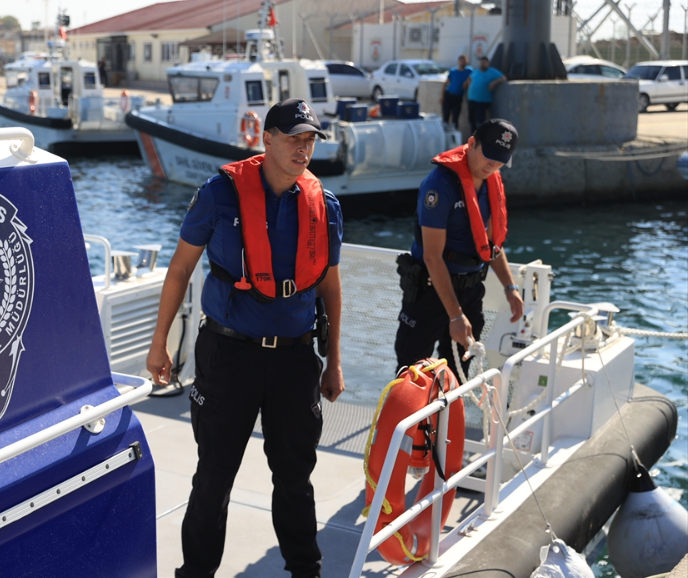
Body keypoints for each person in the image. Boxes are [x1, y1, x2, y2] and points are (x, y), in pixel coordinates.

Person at [146, 98, 345, 578]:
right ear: (267, 139)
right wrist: (160, 344)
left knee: (295, 478)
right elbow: (179, 270)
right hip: (227, 355)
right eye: (293, 138)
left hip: (296, 359)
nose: (303, 148)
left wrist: (333, 359)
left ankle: (305, 571)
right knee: (213, 477)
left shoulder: (326, 206)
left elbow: (331, 287)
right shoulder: (219, 194)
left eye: (310, 140)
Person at [394, 118, 525, 380]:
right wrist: (455, 316)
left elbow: (491, 246)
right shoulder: (439, 185)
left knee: (457, 377)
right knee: (412, 375)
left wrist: (510, 288)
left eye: (501, 160)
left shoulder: (492, 182)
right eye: (489, 156)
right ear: (472, 144)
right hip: (430, 293)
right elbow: (432, 256)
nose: (493, 165)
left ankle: (445, 421)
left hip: (471, 291)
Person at [462, 56, 506, 135]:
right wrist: (467, 83)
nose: (482, 64)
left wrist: (494, 82)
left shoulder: (492, 71)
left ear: (488, 64)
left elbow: (503, 78)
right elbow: (470, 78)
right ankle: (473, 138)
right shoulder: (476, 71)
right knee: (471, 120)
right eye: (481, 63)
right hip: (472, 99)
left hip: (482, 101)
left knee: (480, 121)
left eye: (484, 63)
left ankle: (480, 139)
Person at [440, 55, 472, 129]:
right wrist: (442, 96)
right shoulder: (453, 71)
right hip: (448, 95)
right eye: (461, 61)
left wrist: (467, 83)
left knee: (455, 117)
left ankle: (454, 135)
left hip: (458, 97)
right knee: (446, 116)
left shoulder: (469, 71)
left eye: (464, 61)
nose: (462, 62)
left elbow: (472, 78)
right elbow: (446, 84)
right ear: (458, 62)